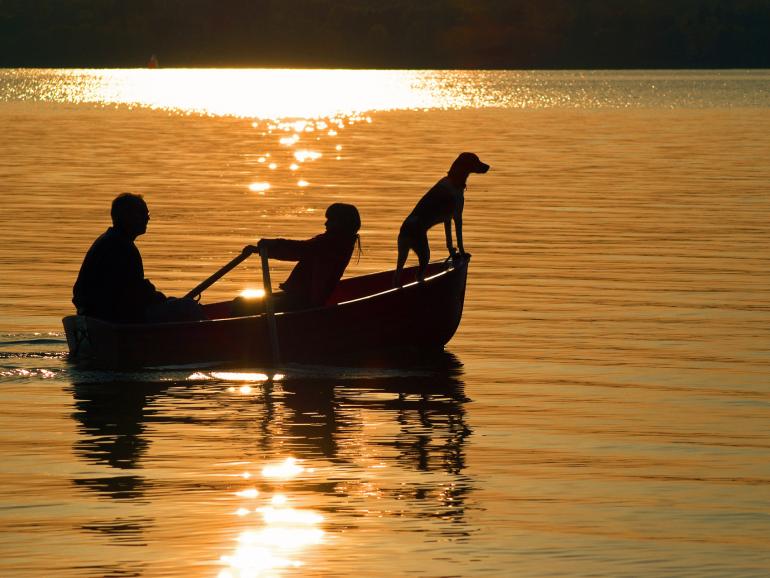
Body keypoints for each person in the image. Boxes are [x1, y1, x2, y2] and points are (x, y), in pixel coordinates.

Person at [73, 193, 204, 323]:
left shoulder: (106, 240)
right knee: (189, 307)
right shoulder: (122, 247)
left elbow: (131, 287)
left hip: (100, 315)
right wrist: (164, 300)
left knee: (179, 305)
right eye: (142, 214)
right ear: (126, 216)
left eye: (148, 214)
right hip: (115, 317)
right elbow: (134, 292)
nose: (147, 219)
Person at [236, 203, 361, 314]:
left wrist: (273, 243)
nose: (326, 223)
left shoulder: (332, 243)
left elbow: (300, 249)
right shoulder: (333, 241)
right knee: (241, 303)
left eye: (331, 220)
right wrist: (262, 250)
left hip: (303, 302)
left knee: (240, 305)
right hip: (299, 298)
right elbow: (298, 251)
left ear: (341, 223)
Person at [394, 152, 490, 286]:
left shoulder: (444, 184)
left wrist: (451, 248)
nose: (481, 166)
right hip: (416, 229)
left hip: (406, 228)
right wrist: (461, 252)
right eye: (476, 163)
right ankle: (419, 284)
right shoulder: (454, 193)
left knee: (400, 268)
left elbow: (447, 218)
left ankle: (397, 282)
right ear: (465, 167)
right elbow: (457, 221)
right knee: (424, 262)